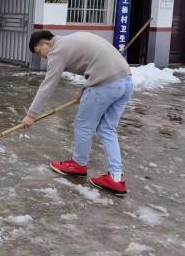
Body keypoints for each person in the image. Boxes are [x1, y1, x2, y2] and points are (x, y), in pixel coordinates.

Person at [22, 30, 133, 196]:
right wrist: (85, 89)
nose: (43, 57)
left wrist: (31, 115)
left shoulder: (57, 50)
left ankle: (78, 164)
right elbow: (95, 62)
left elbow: (48, 85)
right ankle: (116, 178)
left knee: (83, 125)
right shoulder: (70, 40)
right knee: (107, 130)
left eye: (39, 52)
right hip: (126, 82)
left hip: (104, 84)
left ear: (46, 43)